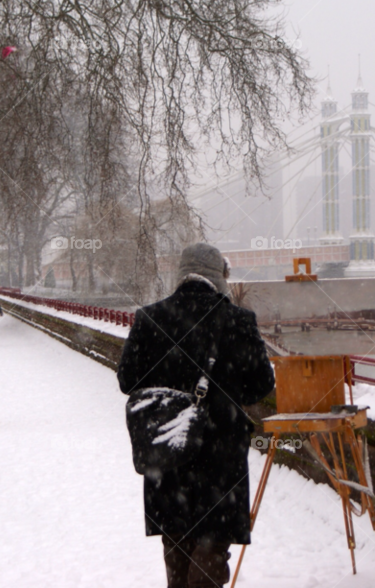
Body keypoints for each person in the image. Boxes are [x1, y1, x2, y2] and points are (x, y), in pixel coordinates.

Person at [117, 243, 275, 588]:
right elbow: (262, 384)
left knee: (175, 543)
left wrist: (170, 393)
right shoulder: (238, 319)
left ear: (181, 274)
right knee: (212, 547)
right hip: (221, 456)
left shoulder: (150, 317)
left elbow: (129, 381)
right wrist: (226, 398)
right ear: (218, 277)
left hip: (168, 449)